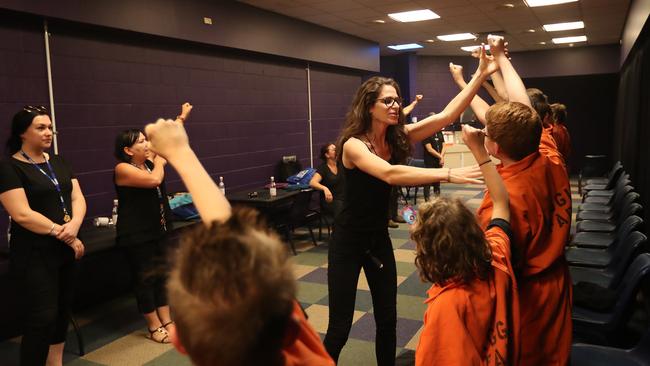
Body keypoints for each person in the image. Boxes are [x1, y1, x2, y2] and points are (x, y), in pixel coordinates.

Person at [324, 46, 497, 365]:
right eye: (386, 100)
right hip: (347, 242)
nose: (395, 104)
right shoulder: (353, 144)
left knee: (388, 322)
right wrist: (448, 172)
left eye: (396, 99)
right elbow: (389, 174)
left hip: (377, 240)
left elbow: (446, 115)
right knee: (339, 328)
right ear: (369, 106)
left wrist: (479, 76)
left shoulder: (397, 137)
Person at [142, 117, 334, 366]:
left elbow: (229, 233)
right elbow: (231, 237)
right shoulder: (294, 339)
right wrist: (181, 152)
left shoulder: (280, 321)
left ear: (180, 341)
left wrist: (179, 153)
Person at [450, 35, 572, 365]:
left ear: (495, 148)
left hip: (527, 296)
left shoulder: (505, 200)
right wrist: (502, 58)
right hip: (557, 282)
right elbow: (522, 106)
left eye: (486, 134)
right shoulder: (547, 155)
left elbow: (482, 261)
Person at [413, 124, 519, 366]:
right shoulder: (496, 255)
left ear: (430, 252)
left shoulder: (448, 306)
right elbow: (502, 203)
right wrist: (481, 153)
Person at [0, 106, 86, 366]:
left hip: (63, 248)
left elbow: (77, 197)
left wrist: (75, 226)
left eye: (50, 127)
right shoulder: (9, 167)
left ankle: (55, 363)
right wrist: (66, 234)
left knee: (61, 312)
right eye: (41, 127)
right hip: (34, 252)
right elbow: (22, 213)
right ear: (22, 133)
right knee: (42, 317)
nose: (48, 132)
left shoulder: (58, 161)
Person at [112, 102, 192, 343]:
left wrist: (181, 119)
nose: (147, 144)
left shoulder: (148, 162)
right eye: (141, 142)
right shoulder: (123, 169)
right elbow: (154, 180)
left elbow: (168, 140)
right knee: (146, 278)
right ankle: (153, 325)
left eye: (147, 140)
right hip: (136, 233)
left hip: (159, 229)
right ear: (128, 150)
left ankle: (167, 319)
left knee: (163, 274)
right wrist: (160, 159)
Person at [309, 143, 344, 218]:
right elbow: (312, 182)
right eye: (334, 150)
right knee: (340, 205)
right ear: (327, 155)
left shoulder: (340, 164)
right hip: (330, 200)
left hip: (342, 197)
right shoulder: (323, 168)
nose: (337, 151)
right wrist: (325, 188)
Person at [421, 115, 446, 200]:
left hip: (438, 161)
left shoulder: (439, 132)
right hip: (429, 161)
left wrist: (441, 157)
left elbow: (444, 145)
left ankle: (437, 201)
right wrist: (441, 157)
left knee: (437, 183)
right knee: (427, 183)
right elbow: (429, 149)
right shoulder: (425, 133)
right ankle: (427, 202)